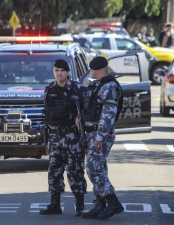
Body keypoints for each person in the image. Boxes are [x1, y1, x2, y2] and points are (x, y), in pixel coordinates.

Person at [40, 59, 87, 217]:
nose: (59, 73)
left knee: (75, 171)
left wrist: (80, 117)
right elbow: (46, 114)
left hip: (72, 136)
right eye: (56, 70)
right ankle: (55, 204)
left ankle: (80, 205)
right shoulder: (49, 89)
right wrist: (46, 139)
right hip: (54, 136)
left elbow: (88, 109)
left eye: (62, 70)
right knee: (54, 171)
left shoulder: (77, 89)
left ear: (67, 72)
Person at [81, 56, 124, 220]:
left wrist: (99, 137)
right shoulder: (100, 85)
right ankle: (100, 204)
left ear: (97, 70)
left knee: (94, 169)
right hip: (93, 133)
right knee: (98, 168)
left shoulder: (110, 87)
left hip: (101, 134)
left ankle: (113, 202)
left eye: (92, 70)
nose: (91, 72)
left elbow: (108, 115)